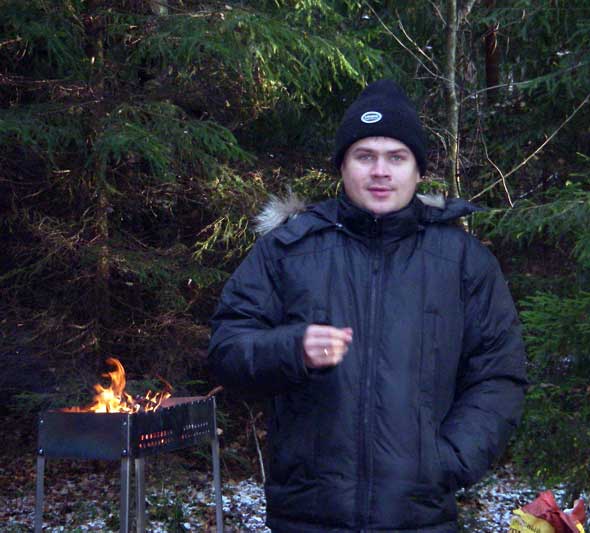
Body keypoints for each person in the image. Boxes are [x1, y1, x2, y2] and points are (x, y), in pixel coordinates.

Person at [208, 79, 528, 532]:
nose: (380, 171)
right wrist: (291, 350)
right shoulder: (287, 251)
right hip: (307, 516)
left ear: (418, 170)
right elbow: (226, 349)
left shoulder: (462, 262)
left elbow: (498, 374)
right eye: (365, 156)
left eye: (396, 157)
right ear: (342, 166)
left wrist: (447, 461)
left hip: (419, 518)